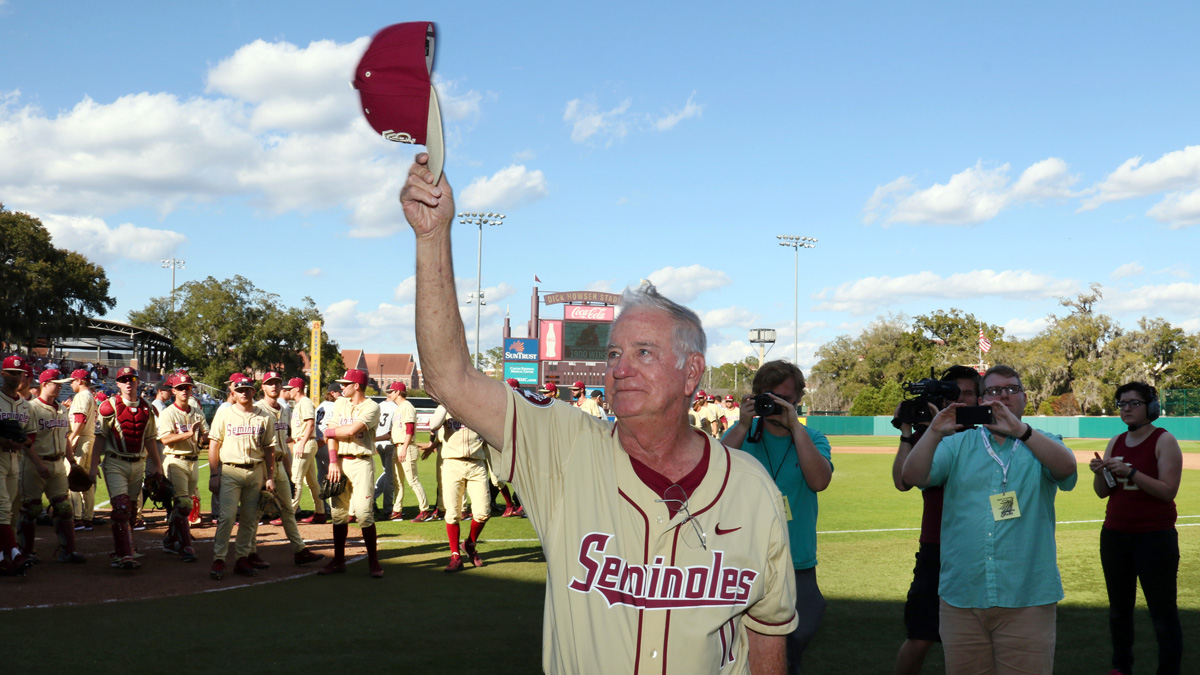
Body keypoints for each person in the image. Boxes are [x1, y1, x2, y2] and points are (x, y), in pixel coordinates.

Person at [401, 154, 798, 673]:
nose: (621, 368)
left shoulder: (752, 489)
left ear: (691, 371)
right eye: (613, 354)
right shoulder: (562, 447)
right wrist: (433, 237)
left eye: (644, 352)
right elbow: (450, 377)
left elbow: (766, 638)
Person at [902, 364, 1078, 674]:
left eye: (1012, 389)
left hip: (1027, 597)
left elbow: (1066, 469)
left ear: (1024, 398)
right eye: (994, 391)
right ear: (982, 401)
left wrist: (1022, 432)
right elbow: (912, 476)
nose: (1004, 397)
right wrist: (932, 432)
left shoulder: (1043, 441)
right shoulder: (956, 444)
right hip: (963, 597)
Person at [723, 360, 833, 673]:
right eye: (769, 396)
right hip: (744, 561)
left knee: (790, 649)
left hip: (796, 563)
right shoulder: (743, 434)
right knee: (740, 651)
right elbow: (712, 472)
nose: (776, 404)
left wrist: (795, 427)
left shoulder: (812, 438)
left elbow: (819, 481)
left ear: (798, 399)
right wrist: (743, 425)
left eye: (785, 398)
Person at [889, 365, 981, 675]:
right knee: (919, 638)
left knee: (976, 640)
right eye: (952, 393)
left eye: (967, 393)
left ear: (979, 399)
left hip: (979, 547)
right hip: (936, 547)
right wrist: (908, 431)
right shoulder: (930, 433)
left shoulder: (988, 430)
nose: (960, 400)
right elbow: (902, 482)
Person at [1090, 382, 1183, 675]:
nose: (1126, 409)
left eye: (1134, 403)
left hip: (1154, 537)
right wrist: (1100, 473)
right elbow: (1102, 493)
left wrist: (1131, 472)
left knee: (1162, 611)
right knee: (1119, 610)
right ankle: (1121, 667)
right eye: (1122, 404)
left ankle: (1168, 669)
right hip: (1115, 534)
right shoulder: (1115, 441)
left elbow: (1168, 491)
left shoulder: (1163, 440)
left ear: (1151, 408)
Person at [90, 367, 165, 571]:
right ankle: (125, 554)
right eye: (124, 379)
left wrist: (157, 465)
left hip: (138, 462)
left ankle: (124, 546)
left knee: (132, 512)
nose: (128, 382)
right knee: (121, 507)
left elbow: (150, 439)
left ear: (138, 381)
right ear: (118, 383)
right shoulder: (108, 406)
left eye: (132, 378)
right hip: (115, 461)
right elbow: (100, 438)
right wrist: (93, 464)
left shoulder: (147, 408)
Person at [207, 373, 276, 580]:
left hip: (255, 471)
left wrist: (269, 476)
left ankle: (242, 558)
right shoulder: (224, 414)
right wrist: (213, 473)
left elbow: (269, 449)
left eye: (247, 389)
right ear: (232, 392)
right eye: (239, 389)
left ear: (254, 391)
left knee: (249, 519)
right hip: (230, 470)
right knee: (227, 517)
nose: (243, 393)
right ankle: (219, 558)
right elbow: (214, 444)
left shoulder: (264, 416)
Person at [254, 371, 323, 567]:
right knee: (256, 512)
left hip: (280, 464)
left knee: (288, 511)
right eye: (270, 383)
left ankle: (299, 550)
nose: (275, 386)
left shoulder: (285, 409)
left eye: (277, 383)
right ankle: (249, 552)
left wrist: (288, 471)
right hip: (262, 467)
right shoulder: (257, 409)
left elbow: (283, 445)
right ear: (263, 387)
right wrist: (267, 475)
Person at [320, 368, 383, 578]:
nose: (341, 387)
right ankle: (338, 560)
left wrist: (328, 432)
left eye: (345, 384)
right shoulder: (339, 403)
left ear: (356, 386)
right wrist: (332, 462)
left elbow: (349, 431)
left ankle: (373, 562)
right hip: (338, 462)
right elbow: (333, 436)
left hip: (361, 462)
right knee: (338, 513)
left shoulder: (372, 406)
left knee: (364, 513)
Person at [18, 369, 85, 564]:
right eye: (56, 382)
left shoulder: (62, 409)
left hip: (57, 464)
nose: (60, 386)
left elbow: (65, 438)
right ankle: (26, 552)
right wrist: (38, 464)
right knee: (31, 508)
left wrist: (72, 462)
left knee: (64, 507)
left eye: (61, 383)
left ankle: (68, 551)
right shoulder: (31, 408)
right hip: (34, 464)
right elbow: (26, 440)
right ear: (44, 384)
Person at [428, 404, 491, 571]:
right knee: (453, 512)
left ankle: (469, 544)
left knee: (483, 512)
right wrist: (445, 402)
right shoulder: (445, 406)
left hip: (477, 464)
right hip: (452, 463)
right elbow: (433, 425)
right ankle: (455, 555)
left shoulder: (480, 407)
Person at [155, 372, 207, 563]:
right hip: (175, 460)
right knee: (184, 505)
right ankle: (186, 546)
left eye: (188, 387)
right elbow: (165, 439)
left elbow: (205, 436)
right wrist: (188, 434)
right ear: (173, 390)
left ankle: (171, 539)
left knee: (183, 505)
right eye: (180, 387)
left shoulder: (197, 412)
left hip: (193, 461)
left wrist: (204, 437)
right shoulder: (168, 413)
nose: (185, 391)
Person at [0, 356, 35, 576]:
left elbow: (30, 436)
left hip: (16, 459)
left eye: (19, 373)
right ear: (3, 373)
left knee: (12, 511)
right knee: (2, 507)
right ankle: (14, 552)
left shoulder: (25, 406)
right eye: (11, 372)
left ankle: (4, 556)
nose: (16, 376)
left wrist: (22, 441)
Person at [386, 382, 433, 522]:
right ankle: (397, 510)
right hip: (397, 446)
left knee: (412, 480)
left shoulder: (407, 407)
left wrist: (404, 449)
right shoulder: (399, 408)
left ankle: (424, 510)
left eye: (392, 391)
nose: (390, 394)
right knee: (398, 482)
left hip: (405, 447)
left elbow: (410, 430)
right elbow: (393, 432)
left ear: (398, 392)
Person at [282, 378, 327, 524]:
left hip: (305, 443)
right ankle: (320, 512)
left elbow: (311, 424)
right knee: (312, 482)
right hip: (302, 442)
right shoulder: (299, 404)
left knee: (296, 479)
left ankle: (289, 513)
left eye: (290, 388)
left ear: (297, 389)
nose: (287, 391)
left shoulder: (305, 402)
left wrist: (301, 443)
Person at [67, 369, 100, 531]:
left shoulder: (81, 396)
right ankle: (87, 518)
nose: (71, 384)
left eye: (73, 381)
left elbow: (79, 420)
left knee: (73, 477)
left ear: (79, 381)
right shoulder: (90, 396)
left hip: (82, 439)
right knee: (86, 481)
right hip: (89, 439)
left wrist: (72, 439)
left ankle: (77, 518)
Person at [373, 381, 399, 517]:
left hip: (378, 442)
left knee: (387, 472)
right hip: (389, 442)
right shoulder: (396, 407)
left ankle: (372, 497)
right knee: (390, 477)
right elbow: (394, 431)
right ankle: (388, 509)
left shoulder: (379, 406)